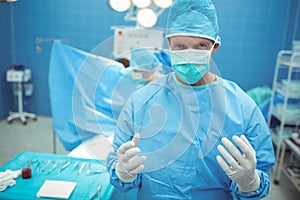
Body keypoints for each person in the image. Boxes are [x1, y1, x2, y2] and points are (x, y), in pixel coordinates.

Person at [106, 0, 275, 199]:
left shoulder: (242, 106)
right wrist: (123, 173)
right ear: (169, 45)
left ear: (214, 47)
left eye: (200, 46)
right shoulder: (141, 101)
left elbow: (261, 175)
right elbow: (118, 161)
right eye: (180, 46)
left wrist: (250, 182)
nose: (189, 55)